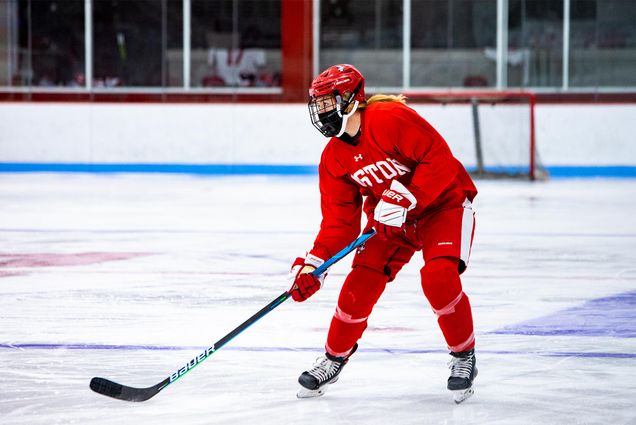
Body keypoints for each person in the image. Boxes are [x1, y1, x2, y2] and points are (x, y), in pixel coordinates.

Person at [288, 64, 479, 404]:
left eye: (327, 103)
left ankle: (463, 356)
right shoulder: (333, 158)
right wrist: (313, 265)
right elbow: (339, 224)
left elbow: (440, 159)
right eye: (317, 106)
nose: (322, 112)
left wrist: (409, 196)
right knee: (357, 286)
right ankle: (333, 358)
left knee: (438, 277)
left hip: (442, 205)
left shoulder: (389, 118)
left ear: (350, 98)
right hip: (391, 221)